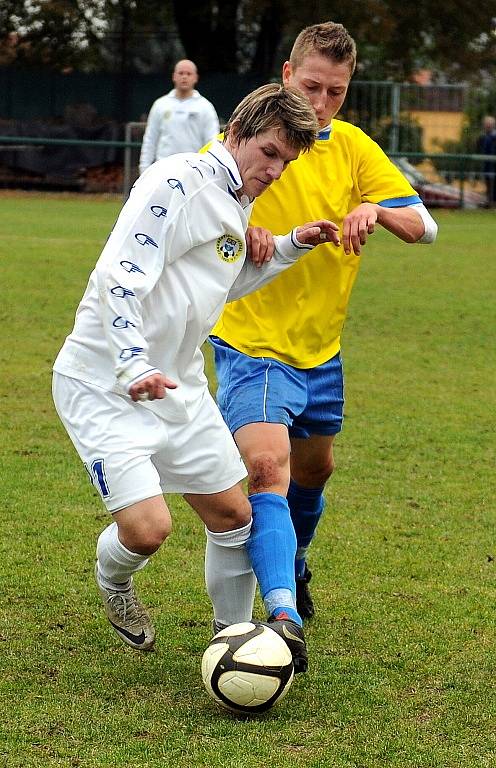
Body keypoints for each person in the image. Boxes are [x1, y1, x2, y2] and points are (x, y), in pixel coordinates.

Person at [52, 82, 340, 674]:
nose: (277, 170)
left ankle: (235, 643)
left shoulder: (238, 197)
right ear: (237, 133)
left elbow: (221, 283)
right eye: (270, 152)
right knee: (148, 529)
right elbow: (119, 276)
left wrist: (288, 247)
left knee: (235, 516)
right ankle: (115, 585)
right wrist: (134, 362)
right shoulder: (174, 183)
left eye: (287, 161)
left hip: (176, 386)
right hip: (106, 382)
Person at [209, 21, 438, 626]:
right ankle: (283, 617)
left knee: (316, 471)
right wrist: (237, 227)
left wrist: (377, 210)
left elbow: (424, 226)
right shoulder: (242, 138)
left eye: (335, 92)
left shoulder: (355, 148)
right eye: (311, 86)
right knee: (265, 467)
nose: (320, 103)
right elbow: (195, 212)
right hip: (250, 340)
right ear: (287, 75)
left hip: (320, 348)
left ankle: (297, 558)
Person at [139, 59, 220, 176]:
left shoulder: (205, 107)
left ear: (196, 77)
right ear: (174, 76)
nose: (184, 77)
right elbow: (150, 139)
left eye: (188, 74)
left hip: (193, 172)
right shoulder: (160, 105)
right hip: (163, 170)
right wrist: (144, 169)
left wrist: (208, 171)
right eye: (181, 73)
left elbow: (212, 142)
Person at [476, 115, 496, 208]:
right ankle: (490, 202)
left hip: (493, 166)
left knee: (492, 184)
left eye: (489, 124)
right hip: (487, 166)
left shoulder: (493, 138)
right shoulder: (483, 137)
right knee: (489, 184)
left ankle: (492, 202)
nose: (486, 126)